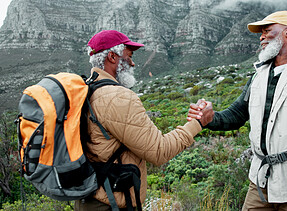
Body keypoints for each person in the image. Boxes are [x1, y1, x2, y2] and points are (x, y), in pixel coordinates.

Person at [187, 11, 287, 211]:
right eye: (261, 33)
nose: (261, 37)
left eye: (267, 31)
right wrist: (210, 118)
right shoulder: (258, 76)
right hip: (260, 184)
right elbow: (236, 115)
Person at [74, 30, 202, 210]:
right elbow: (159, 151)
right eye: (129, 56)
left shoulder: (85, 89)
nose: (133, 63)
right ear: (112, 57)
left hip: (87, 198)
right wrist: (198, 123)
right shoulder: (118, 98)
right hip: (111, 203)